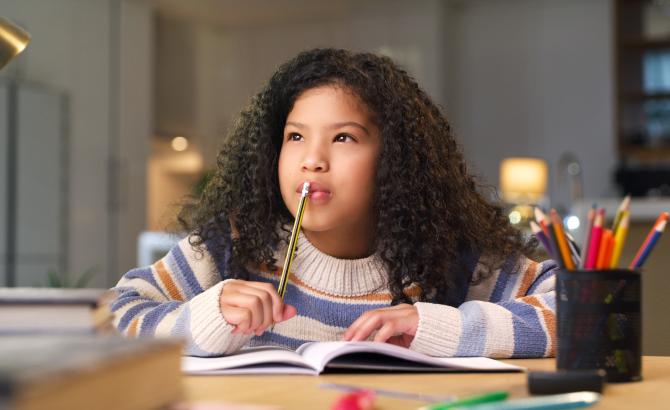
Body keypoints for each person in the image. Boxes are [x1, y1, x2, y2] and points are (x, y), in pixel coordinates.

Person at [112, 48, 557, 358]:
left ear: (394, 158)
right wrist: (205, 317)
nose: (312, 160)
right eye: (296, 137)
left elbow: (576, 310)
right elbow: (113, 317)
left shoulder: (451, 257)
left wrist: (436, 327)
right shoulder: (230, 247)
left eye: (343, 137)